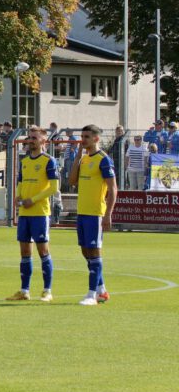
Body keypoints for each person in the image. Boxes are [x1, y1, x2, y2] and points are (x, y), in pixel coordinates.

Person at [7, 126, 59, 302]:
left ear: (44, 141)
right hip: (24, 212)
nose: (31, 141)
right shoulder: (25, 161)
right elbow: (20, 182)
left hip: (39, 212)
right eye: (29, 138)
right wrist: (18, 195)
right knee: (24, 252)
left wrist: (34, 199)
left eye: (35, 138)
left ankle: (47, 291)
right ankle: (24, 290)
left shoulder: (49, 161)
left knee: (43, 251)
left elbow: (54, 187)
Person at [69, 124, 117, 306]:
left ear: (96, 139)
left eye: (87, 137)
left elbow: (113, 188)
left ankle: (91, 295)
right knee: (85, 251)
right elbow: (72, 181)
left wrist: (108, 214)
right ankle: (102, 289)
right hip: (82, 212)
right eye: (82, 136)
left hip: (96, 213)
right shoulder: (85, 159)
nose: (83, 139)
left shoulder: (104, 160)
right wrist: (78, 155)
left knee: (94, 251)